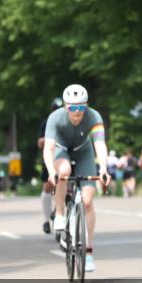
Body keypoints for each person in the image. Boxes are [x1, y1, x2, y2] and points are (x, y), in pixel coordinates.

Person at [43, 84, 112, 273]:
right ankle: (59, 214)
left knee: (88, 201)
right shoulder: (55, 118)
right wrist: (51, 170)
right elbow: (48, 148)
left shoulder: (94, 117)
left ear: (86, 106)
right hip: (61, 149)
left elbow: (100, 144)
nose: (77, 112)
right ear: (66, 106)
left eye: (81, 107)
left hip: (84, 151)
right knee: (63, 171)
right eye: (73, 107)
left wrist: (104, 168)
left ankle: (88, 252)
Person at [38, 97, 64, 233]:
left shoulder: (68, 122)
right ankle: (46, 219)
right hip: (52, 157)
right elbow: (40, 142)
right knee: (47, 187)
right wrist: (47, 140)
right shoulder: (47, 123)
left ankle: (62, 209)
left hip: (66, 156)